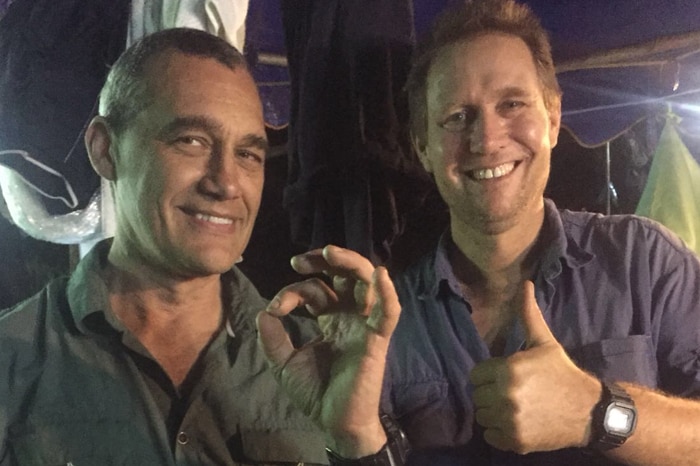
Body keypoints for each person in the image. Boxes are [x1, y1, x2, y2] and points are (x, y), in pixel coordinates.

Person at [257, 1, 700, 465]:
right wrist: (353, 436)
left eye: (512, 104)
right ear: (422, 146)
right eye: (457, 117)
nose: (486, 140)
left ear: (552, 118)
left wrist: (596, 411)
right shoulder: (383, 322)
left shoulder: (645, 262)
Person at [0, 28, 330, 465]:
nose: (226, 183)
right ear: (106, 150)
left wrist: (359, 439)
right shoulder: (12, 362)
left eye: (248, 155)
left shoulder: (316, 361)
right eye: (191, 141)